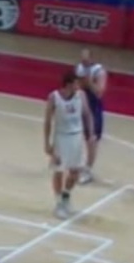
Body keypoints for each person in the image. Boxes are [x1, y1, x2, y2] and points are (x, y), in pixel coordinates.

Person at [44, 71, 93, 219]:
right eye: (76, 83)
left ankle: (66, 196)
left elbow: (87, 114)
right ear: (68, 84)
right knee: (59, 171)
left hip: (76, 137)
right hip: (61, 137)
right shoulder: (54, 97)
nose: (78, 86)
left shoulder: (81, 96)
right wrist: (47, 144)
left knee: (75, 172)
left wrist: (90, 134)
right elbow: (48, 121)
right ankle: (59, 203)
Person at [74, 48, 108, 184]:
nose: (83, 62)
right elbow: (75, 87)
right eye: (82, 59)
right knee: (77, 135)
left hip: (94, 108)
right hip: (81, 106)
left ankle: (88, 170)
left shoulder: (99, 71)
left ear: (92, 58)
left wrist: (89, 83)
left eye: (86, 59)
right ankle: (78, 163)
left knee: (92, 140)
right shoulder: (79, 69)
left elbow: (99, 92)